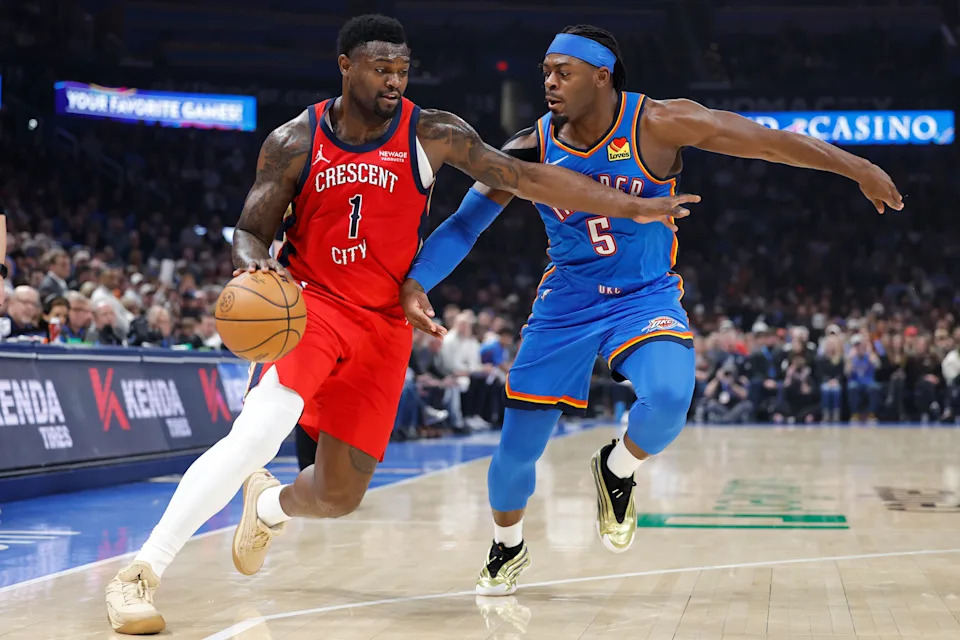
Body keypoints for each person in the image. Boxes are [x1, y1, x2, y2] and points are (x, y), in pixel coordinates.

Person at [104, 15, 698, 635]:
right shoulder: (293, 140)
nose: (393, 80)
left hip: (385, 324)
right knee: (257, 433)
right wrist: (257, 269)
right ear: (345, 66)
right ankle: (140, 572)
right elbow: (251, 229)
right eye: (380, 68)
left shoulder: (434, 131)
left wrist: (633, 205)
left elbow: (523, 177)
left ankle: (271, 504)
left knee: (338, 496)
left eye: (402, 70)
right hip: (313, 305)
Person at [400, 25, 904, 596]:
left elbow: (765, 141)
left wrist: (856, 166)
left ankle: (618, 467)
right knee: (517, 452)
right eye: (545, 72)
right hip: (566, 301)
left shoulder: (659, 123)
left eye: (562, 72)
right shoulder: (530, 146)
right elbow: (466, 224)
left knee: (668, 398)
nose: (549, 82)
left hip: (644, 296)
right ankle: (506, 546)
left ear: (602, 74)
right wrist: (417, 279)